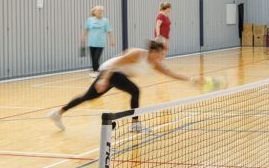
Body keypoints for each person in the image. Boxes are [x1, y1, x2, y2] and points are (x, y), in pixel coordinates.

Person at [47, 40, 192, 131]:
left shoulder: (154, 63)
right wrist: (104, 79)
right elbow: (115, 63)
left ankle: (58, 113)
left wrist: (190, 80)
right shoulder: (137, 54)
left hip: (117, 75)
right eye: (160, 54)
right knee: (135, 91)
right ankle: (135, 124)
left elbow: (170, 74)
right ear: (153, 51)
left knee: (88, 97)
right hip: (111, 71)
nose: (162, 57)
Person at [81, 5, 115, 76]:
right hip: (91, 42)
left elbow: (109, 31)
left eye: (101, 11)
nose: (100, 12)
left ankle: (96, 71)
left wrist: (112, 40)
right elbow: (86, 29)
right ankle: (95, 71)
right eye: (98, 10)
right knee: (93, 58)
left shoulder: (105, 21)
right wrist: (83, 37)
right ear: (94, 12)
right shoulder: (90, 20)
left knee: (96, 58)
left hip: (100, 43)